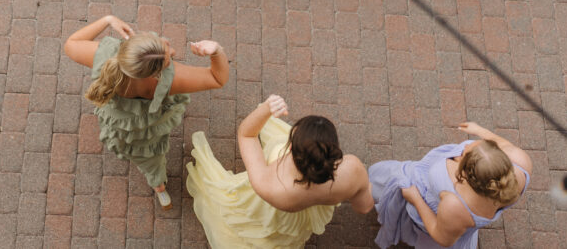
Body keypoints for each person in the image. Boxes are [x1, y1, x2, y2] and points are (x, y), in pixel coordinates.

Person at [63, 14, 230, 209]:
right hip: (148, 126)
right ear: (156, 74)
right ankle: (158, 185)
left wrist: (108, 20)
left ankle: (158, 186)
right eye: (169, 58)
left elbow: (71, 43)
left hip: (121, 124)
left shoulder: (105, 56)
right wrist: (216, 51)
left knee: (142, 156)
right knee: (152, 156)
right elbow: (218, 79)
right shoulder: (169, 81)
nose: (171, 49)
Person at [186, 95, 374, 247]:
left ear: (291, 148)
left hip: (280, 210)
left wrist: (266, 109)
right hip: (300, 215)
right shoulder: (353, 169)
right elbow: (364, 207)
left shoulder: (271, 186)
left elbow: (246, 134)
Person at [369, 122, 533, 248]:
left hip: (426, 204)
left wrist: (415, 199)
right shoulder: (520, 162)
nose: (467, 145)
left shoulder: (455, 206)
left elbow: (442, 238)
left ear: (468, 176)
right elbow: (501, 142)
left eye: (464, 153)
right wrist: (480, 131)